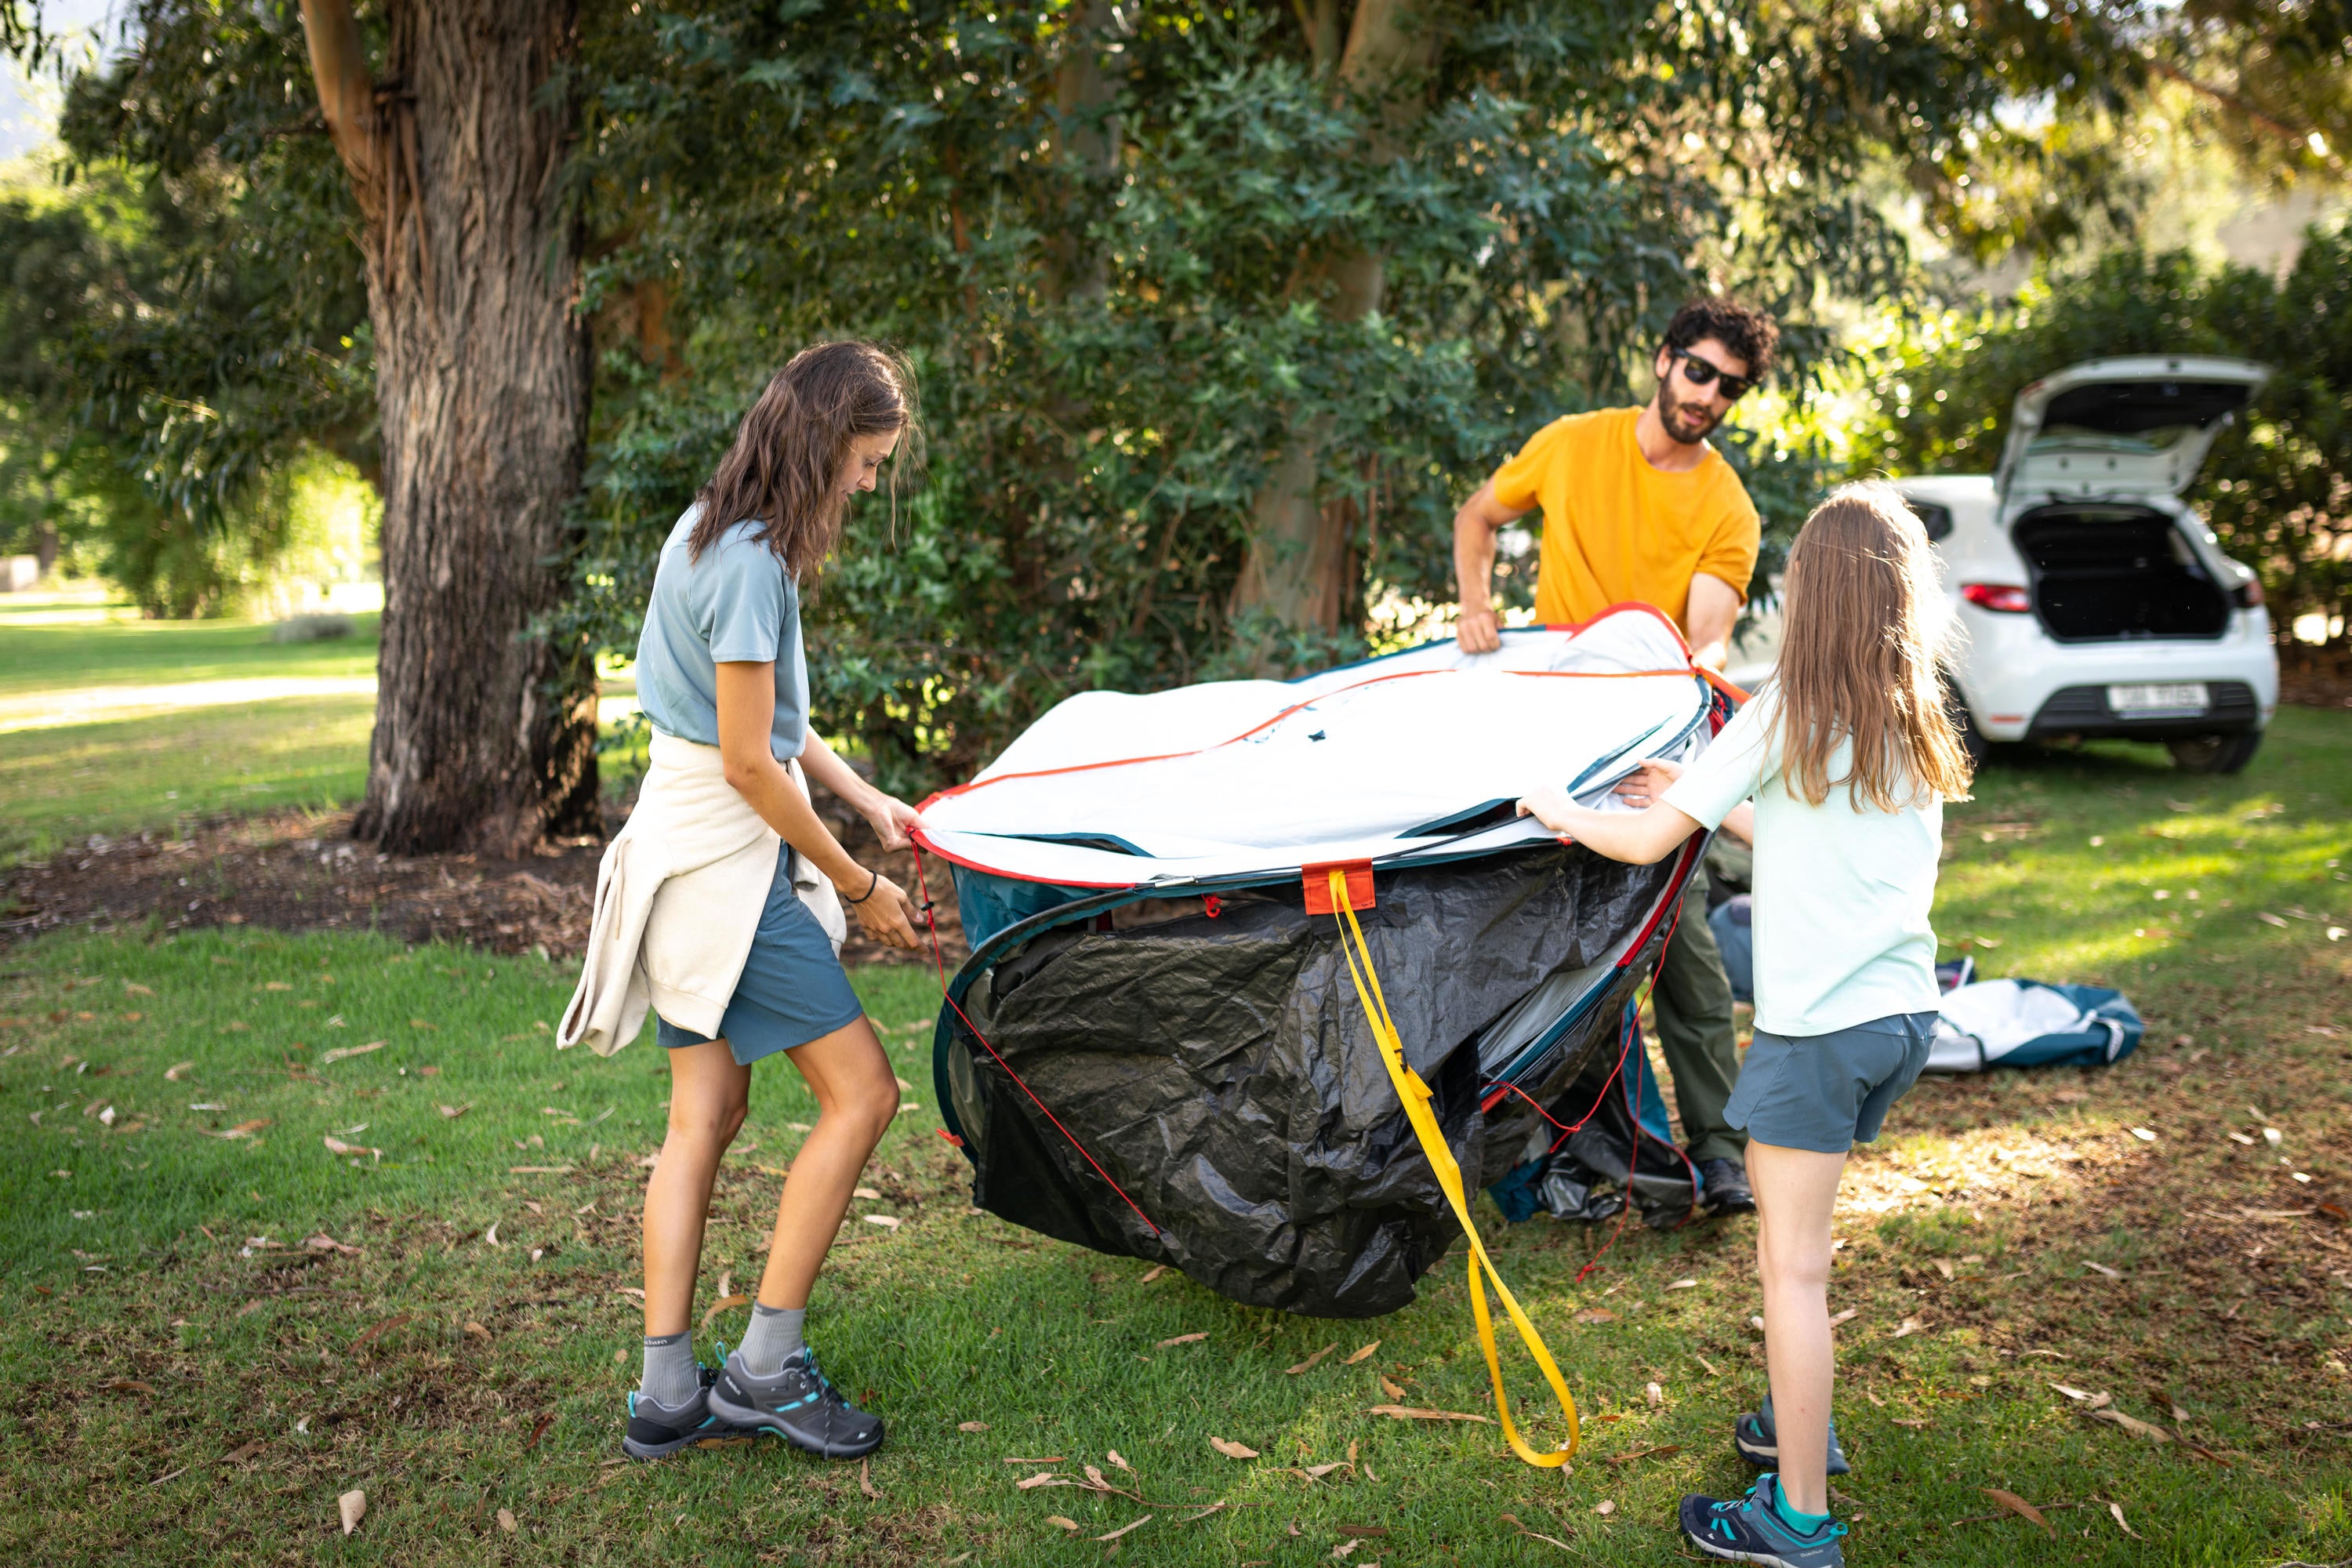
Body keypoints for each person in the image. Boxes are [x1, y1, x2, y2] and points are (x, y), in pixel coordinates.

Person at [1518, 483, 1972, 1567]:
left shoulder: (1781, 713)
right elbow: (1823, 835)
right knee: (1802, 1259)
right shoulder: (1909, 712)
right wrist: (1710, 792)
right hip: (1901, 1022)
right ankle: (1790, 1417)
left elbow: (1636, 846)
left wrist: (1551, 807)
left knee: (1793, 1273)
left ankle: (1799, 1518)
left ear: (1814, 596)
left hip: (1817, 1038)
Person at [571, 341, 928, 1463]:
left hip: (689, 857)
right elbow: (745, 761)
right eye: (867, 462)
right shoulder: (751, 562)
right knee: (864, 1097)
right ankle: (766, 1371)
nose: (869, 484)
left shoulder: (706, 530)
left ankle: (667, 1393)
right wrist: (863, 887)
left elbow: (772, 718)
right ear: (826, 443)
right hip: (721, 870)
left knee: (704, 1122)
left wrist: (868, 801)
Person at [1451, 296, 1780, 1214]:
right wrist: (1475, 602)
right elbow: (1479, 516)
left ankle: (1719, 1156)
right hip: (1552, 737)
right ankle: (1577, 1148)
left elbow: (1705, 641)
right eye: (1700, 371)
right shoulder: (1572, 443)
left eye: (1731, 387)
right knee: (1561, 947)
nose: (1710, 396)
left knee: (1687, 956)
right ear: (1666, 359)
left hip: (1656, 749)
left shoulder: (1727, 505)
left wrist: (1669, 699)